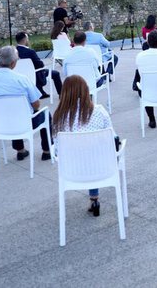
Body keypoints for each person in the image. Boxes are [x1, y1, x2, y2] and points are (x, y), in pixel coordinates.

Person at [52, 75, 115, 217]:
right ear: (86, 91)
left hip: (71, 170)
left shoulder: (58, 117)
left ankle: (94, 199)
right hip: (102, 168)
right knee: (92, 154)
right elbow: (112, 138)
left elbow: (57, 149)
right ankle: (94, 199)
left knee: (84, 155)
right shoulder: (99, 111)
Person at [0, 46, 52, 161]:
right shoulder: (22, 80)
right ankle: (47, 151)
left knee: (10, 112)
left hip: (0, 125)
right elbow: (36, 105)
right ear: (13, 63)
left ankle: (20, 150)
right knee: (45, 114)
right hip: (24, 123)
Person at [16, 32, 62, 99]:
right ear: (25, 39)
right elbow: (40, 65)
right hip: (34, 74)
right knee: (56, 73)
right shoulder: (30, 52)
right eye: (27, 39)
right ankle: (61, 94)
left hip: (21, 75)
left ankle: (41, 92)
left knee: (39, 70)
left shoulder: (13, 51)